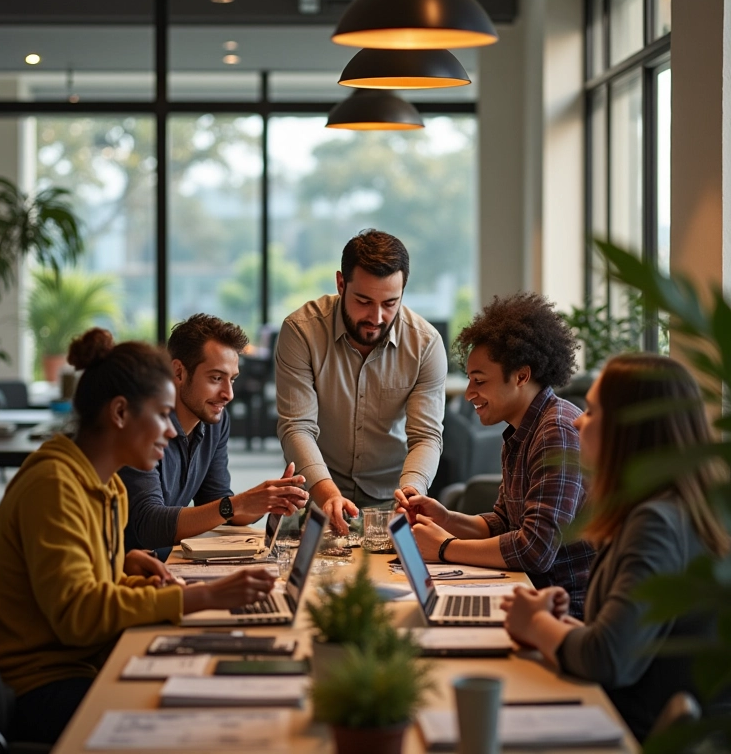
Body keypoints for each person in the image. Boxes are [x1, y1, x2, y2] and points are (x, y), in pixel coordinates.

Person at [0, 329, 276, 745]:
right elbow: (79, 616)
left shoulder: (108, 486)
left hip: (87, 660)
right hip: (43, 686)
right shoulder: (55, 486)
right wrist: (201, 597)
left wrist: (125, 569)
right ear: (119, 413)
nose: (172, 433)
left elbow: (90, 584)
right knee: (198, 726)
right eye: (161, 415)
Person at [501, 353, 731, 741]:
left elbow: (608, 660)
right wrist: (560, 627)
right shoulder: (663, 508)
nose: (577, 420)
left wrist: (538, 626)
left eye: (591, 411)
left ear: (629, 429)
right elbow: (629, 642)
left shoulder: (656, 522)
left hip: (631, 732)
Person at [396, 292, 594, 618]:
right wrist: (447, 519)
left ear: (521, 376)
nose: (470, 393)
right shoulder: (522, 430)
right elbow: (504, 523)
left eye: (479, 381)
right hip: (527, 593)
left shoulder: (556, 431)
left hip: (563, 610)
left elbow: (536, 549)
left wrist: (445, 548)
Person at [276, 229, 448, 533]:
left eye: (390, 303)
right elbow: (297, 426)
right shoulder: (302, 331)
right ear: (341, 283)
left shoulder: (426, 344)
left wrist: (412, 490)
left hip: (390, 501)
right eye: (364, 301)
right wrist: (328, 494)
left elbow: (425, 437)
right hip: (318, 490)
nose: (377, 317)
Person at [121, 314, 309, 556]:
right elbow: (148, 525)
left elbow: (217, 502)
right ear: (178, 372)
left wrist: (267, 500)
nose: (228, 394)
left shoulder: (214, 423)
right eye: (216, 378)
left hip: (168, 564)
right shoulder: (143, 425)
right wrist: (237, 504)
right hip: (123, 575)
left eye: (232, 379)